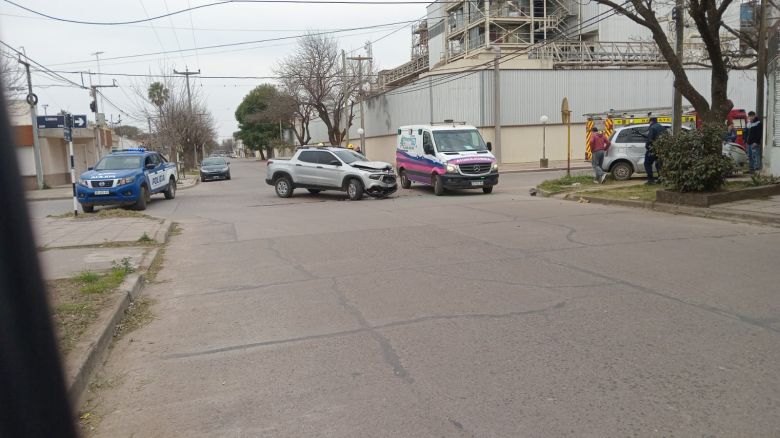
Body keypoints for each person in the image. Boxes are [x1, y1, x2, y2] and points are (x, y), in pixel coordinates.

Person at [644, 117, 667, 184]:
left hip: (652, 149)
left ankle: (650, 180)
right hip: (660, 149)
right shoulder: (662, 127)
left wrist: (647, 147)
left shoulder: (652, 128)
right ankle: (661, 179)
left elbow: (650, 139)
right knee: (659, 164)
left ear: (651, 121)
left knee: (647, 163)